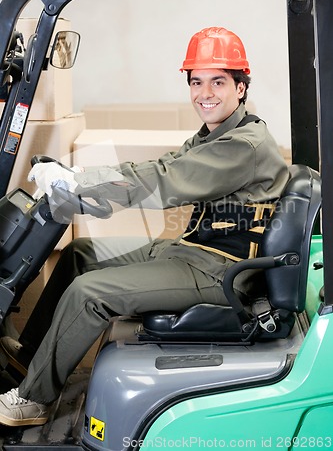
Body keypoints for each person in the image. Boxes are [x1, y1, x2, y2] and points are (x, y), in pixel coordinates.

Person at [0, 26, 289, 426]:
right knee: (79, 256)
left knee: (89, 293)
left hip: (219, 271)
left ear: (241, 87)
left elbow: (165, 178)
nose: (205, 93)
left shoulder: (245, 146)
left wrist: (80, 180)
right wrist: (78, 177)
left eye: (218, 82)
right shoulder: (217, 133)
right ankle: (30, 358)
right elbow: (165, 165)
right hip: (188, 251)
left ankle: (34, 400)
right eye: (197, 82)